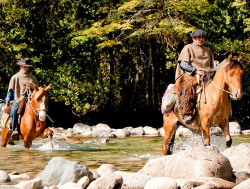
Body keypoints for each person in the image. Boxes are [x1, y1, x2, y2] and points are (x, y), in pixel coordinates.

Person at [175, 29, 215, 124]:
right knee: (188, 85)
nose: (201, 39)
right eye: (198, 38)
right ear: (193, 38)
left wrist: (215, 64)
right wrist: (196, 71)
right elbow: (183, 64)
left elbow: (211, 64)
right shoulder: (188, 48)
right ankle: (187, 113)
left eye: (202, 38)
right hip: (191, 73)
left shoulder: (207, 50)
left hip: (207, 73)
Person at [4, 58, 39, 136]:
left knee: (45, 109)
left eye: (27, 66)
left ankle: (41, 127)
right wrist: (7, 103)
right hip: (19, 98)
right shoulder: (15, 77)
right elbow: (10, 91)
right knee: (14, 111)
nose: (26, 68)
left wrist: (32, 87)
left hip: (31, 99)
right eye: (24, 66)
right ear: (20, 66)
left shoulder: (32, 77)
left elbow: (38, 89)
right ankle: (14, 130)